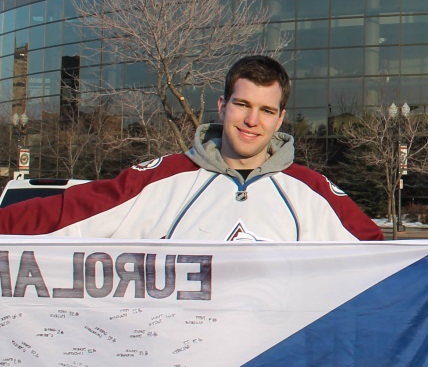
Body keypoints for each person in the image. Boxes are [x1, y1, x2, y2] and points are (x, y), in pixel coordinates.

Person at [0, 55, 382, 242]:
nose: (252, 120)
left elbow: (390, 264)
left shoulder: (312, 191)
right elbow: (67, 213)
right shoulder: (163, 179)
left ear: (280, 120)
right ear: (222, 106)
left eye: (266, 110)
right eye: (242, 105)